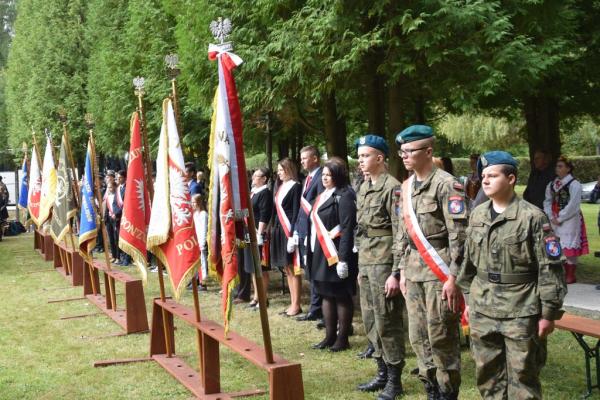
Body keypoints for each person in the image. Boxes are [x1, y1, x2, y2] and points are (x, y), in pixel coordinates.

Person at [457, 151, 567, 399]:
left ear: (511, 179)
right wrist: (468, 299)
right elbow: (469, 263)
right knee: (488, 377)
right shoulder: (477, 214)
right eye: (484, 176)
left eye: (492, 175)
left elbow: (550, 268)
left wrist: (548, 314)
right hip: (483, 306)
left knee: (523, 378)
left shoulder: (533, 217)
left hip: (521, 310)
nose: (485, 180)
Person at [395, 125, 467, 400]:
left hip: (440, 271)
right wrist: (402, 271)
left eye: (409, 151)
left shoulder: (447, 184)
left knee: (441, 337)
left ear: (428, 151)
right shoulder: (406, 186)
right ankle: (431, 390)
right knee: (418, 336)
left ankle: (447, 392)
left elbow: (459, 236)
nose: (404, 156)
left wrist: (453, 278)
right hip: (413, 270)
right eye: (401, 152)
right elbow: (404, 233)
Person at [354, 135, 405, 400]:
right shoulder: (364, 187)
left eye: (365, 156)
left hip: (384, 262)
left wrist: (396, 273)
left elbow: (400, 232)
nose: (360, 161)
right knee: (371, 318)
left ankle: (395, 380)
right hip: (367, 261)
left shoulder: (392, 188)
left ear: (380, 158)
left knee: (388, 320)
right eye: (359, 156)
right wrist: (359, 267)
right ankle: (382, 372)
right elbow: (361, 228)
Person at [306, 157, 357, 352]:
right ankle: (329, 336)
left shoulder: (345, 195)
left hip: (337, 252)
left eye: (329, 175)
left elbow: (347, 228)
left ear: (338, 176)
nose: (325, 178)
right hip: (321, 251)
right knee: (326, 294)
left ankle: (342, 339)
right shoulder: (323, 195)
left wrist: (343, 260)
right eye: (324, 175)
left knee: (341, 295)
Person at [543, 156, 589, 284]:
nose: (557, 169)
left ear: (568, 169)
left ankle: (570, 275)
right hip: (554, 218)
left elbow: (574, 204)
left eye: (560, 166)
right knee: (555, 244)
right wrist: (551, 216)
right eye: (556, 166)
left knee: (569, 245)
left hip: (570, 219)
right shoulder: (552, 184)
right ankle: (560, 272)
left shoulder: (574, 184)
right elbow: (547, 201)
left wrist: (561, 217)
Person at [295, 145, 325, 322]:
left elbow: (319, 203)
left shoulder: (321, 177)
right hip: (304, 228)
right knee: (310, 270)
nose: (302, 162)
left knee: (315, 269)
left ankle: (318, 308)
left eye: (305, 158)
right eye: (301, 159)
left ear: (315, 158)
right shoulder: (308, 178)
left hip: (314, 229)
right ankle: (315, 308)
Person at [271, 158, 303, 317]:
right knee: (286, 268)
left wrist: (293, 234)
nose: (279, 173)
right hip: (279, 229)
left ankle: (296, 305)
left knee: (292, 268)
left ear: (289, 170)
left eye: (281, 170)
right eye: (278, 170)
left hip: (288, 230)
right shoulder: (280, 186)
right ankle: (292, 303)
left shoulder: (296, 186)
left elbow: (296, 211)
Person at [246, 168, 273, 309]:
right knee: (253, 268)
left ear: (264, 178)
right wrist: (234, 214)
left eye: (257, 176)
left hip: (259, 234)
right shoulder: (253, 192)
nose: (253, 178)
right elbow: (248, 212)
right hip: (249, 233)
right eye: (254, 175)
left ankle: (263, 298)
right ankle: (256, 297)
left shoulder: (265, 193)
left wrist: (260, 234)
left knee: (261, 268)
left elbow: (264, 214)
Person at [192, 194, 208, 291]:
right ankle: (197, 280)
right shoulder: (195, 214)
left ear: (199, 202)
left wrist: (202, 243)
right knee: (197, 262)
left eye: (194, 202)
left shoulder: (203, 214)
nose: (192, 204)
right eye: (192, 202)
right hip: (196, 241)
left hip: (201, 241)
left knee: (202, 261)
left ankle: (204, 283)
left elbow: (204, 230)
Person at [115, 170, 130, 266]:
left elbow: (126, 203)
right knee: (119, 237)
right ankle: (122, 257)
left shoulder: (128, 188)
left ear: (125, 178)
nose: (118, 179)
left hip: (125, 216)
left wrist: (117, 212)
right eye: (118, 178)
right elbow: (114, 202)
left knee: (126, 237)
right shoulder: (118, 189)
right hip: (117, 217)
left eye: (120, 177)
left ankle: (127, 259)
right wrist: (115, 213)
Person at [103, 180, 121, 263]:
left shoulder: (117, 196)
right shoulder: (107, 197)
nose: (109, 189)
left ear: (114, 187)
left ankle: (118, 257)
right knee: (111, 239)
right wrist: (105, 219)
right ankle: (113, 256)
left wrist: (116, 215)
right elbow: (106, 209)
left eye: (110, 187)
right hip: (109, 219)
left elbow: (120, 207)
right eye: (108, 187)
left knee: (116, 238)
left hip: (115, 219)